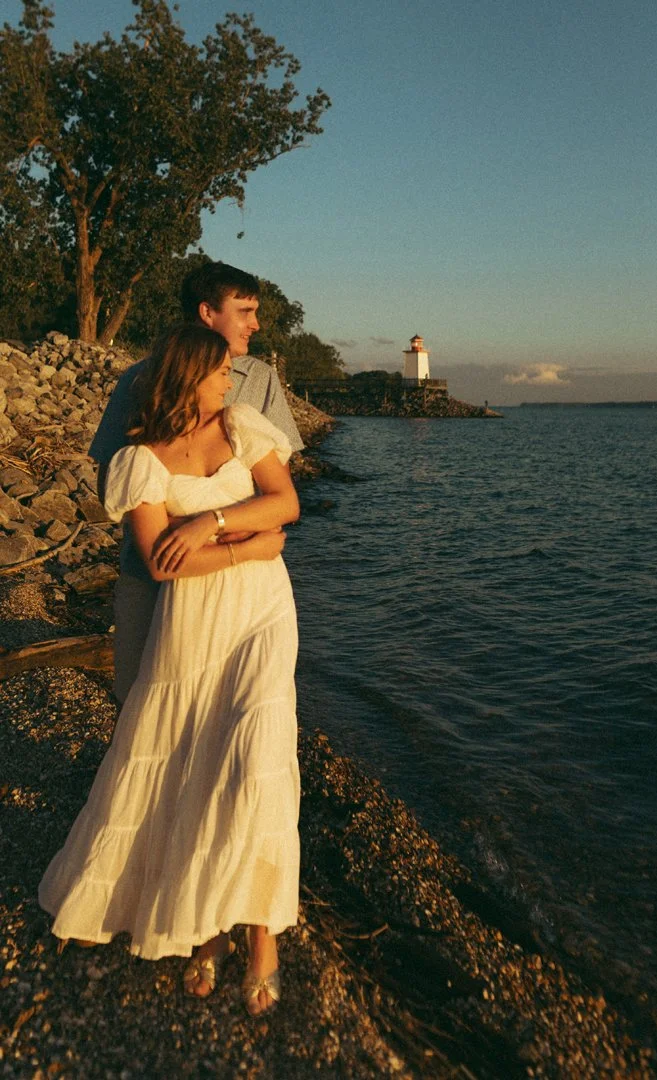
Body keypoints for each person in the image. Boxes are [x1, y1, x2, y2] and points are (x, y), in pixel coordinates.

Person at [39, 325, 300, 1014]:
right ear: (186, 376)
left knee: (258, 757)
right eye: (219, 373)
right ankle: (205, 928)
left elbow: (287, 505)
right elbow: (160, 562)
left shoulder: (243, 425)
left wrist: (207, 526)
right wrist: (248, 543)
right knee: (194, 760)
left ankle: (263, 938)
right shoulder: (140, 461)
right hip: (193, 622)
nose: (229, 382)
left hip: (264, 615)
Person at [89, 262, 304, 704]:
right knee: (143, 707)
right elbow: (116, 479)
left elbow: (282, 490)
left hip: (247, 586)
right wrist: (180, 537)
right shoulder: (138, 380)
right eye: (244, 311)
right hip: (153, 580)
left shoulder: (260, 379)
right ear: (208, 313)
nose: (256, 324)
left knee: (237, 711)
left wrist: (215, 525)